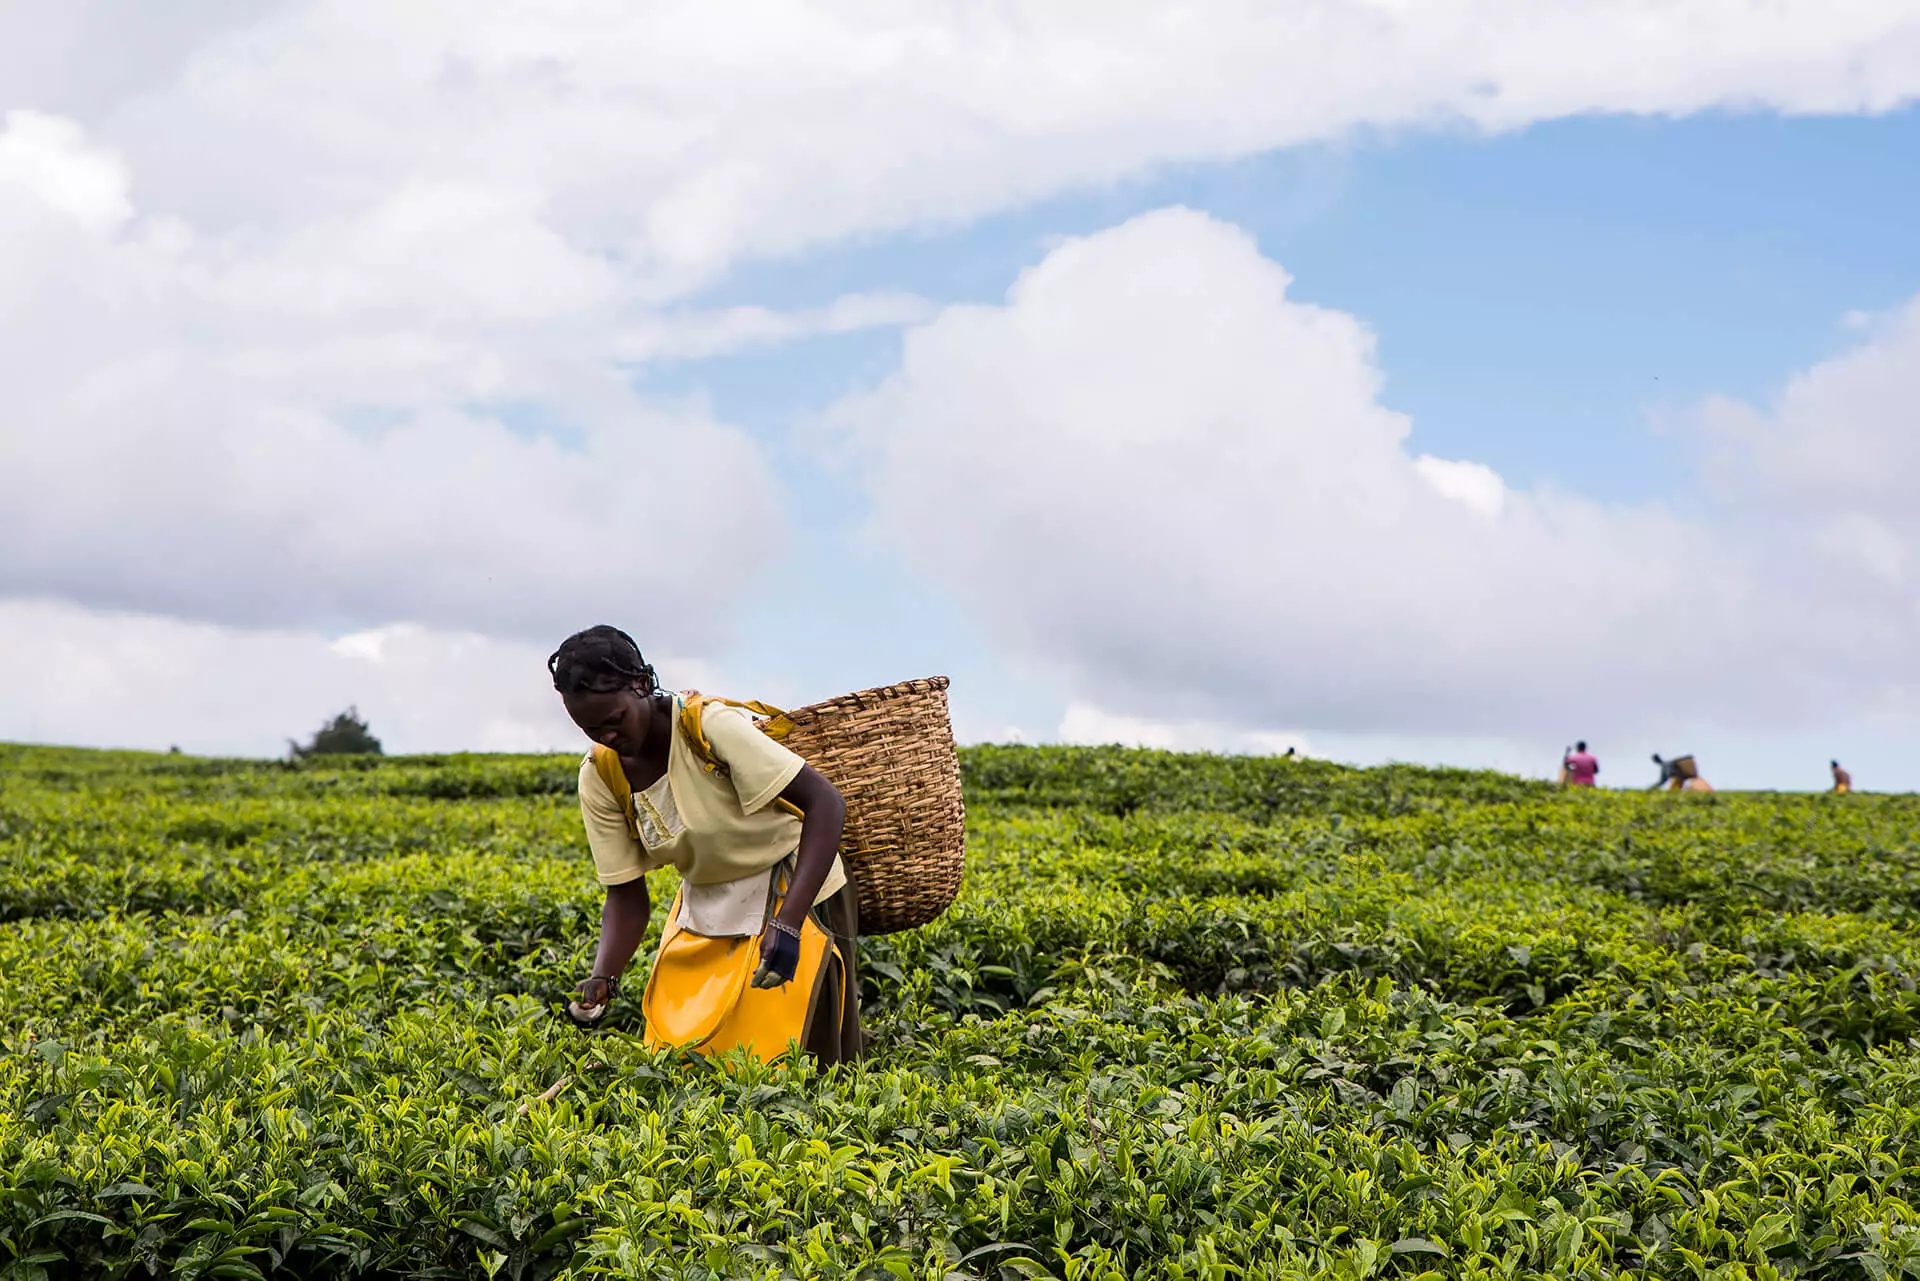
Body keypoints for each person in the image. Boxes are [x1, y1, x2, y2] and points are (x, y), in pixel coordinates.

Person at [549, 625, 863, 1064]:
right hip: (708, 907)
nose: (607, 737)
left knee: (798, 1057)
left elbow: (825, 804)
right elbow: (625, 893)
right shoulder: (601, 775)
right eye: (590, 728)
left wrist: (788, 924)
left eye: (614, 721)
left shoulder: (707, 728)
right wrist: (605, 977)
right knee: (693, 1057)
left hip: (797, 891)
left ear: (641, 685)